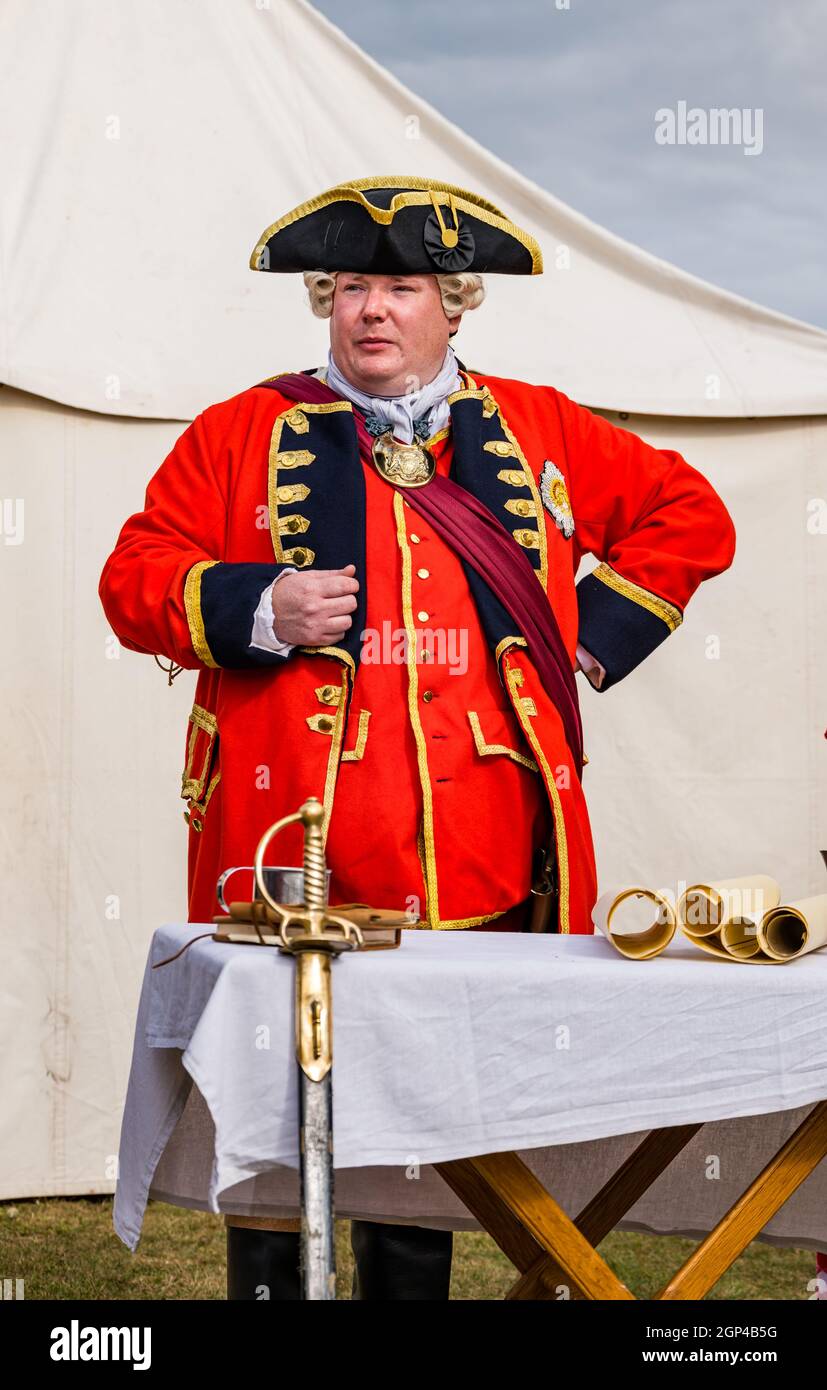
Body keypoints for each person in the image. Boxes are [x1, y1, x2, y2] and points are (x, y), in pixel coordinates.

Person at [99, 176, 737, 1299]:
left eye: (397, 287)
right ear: (324, 303)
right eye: (347, 288)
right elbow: (132, 578)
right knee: (278, 1134)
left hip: (479, 869)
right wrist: (257, 604)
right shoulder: (240, 431)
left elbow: (689, 515)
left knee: (416, 1154)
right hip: (289, 862)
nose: (370, 312)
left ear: (454, 303)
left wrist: (580, 638)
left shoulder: (538, 425)